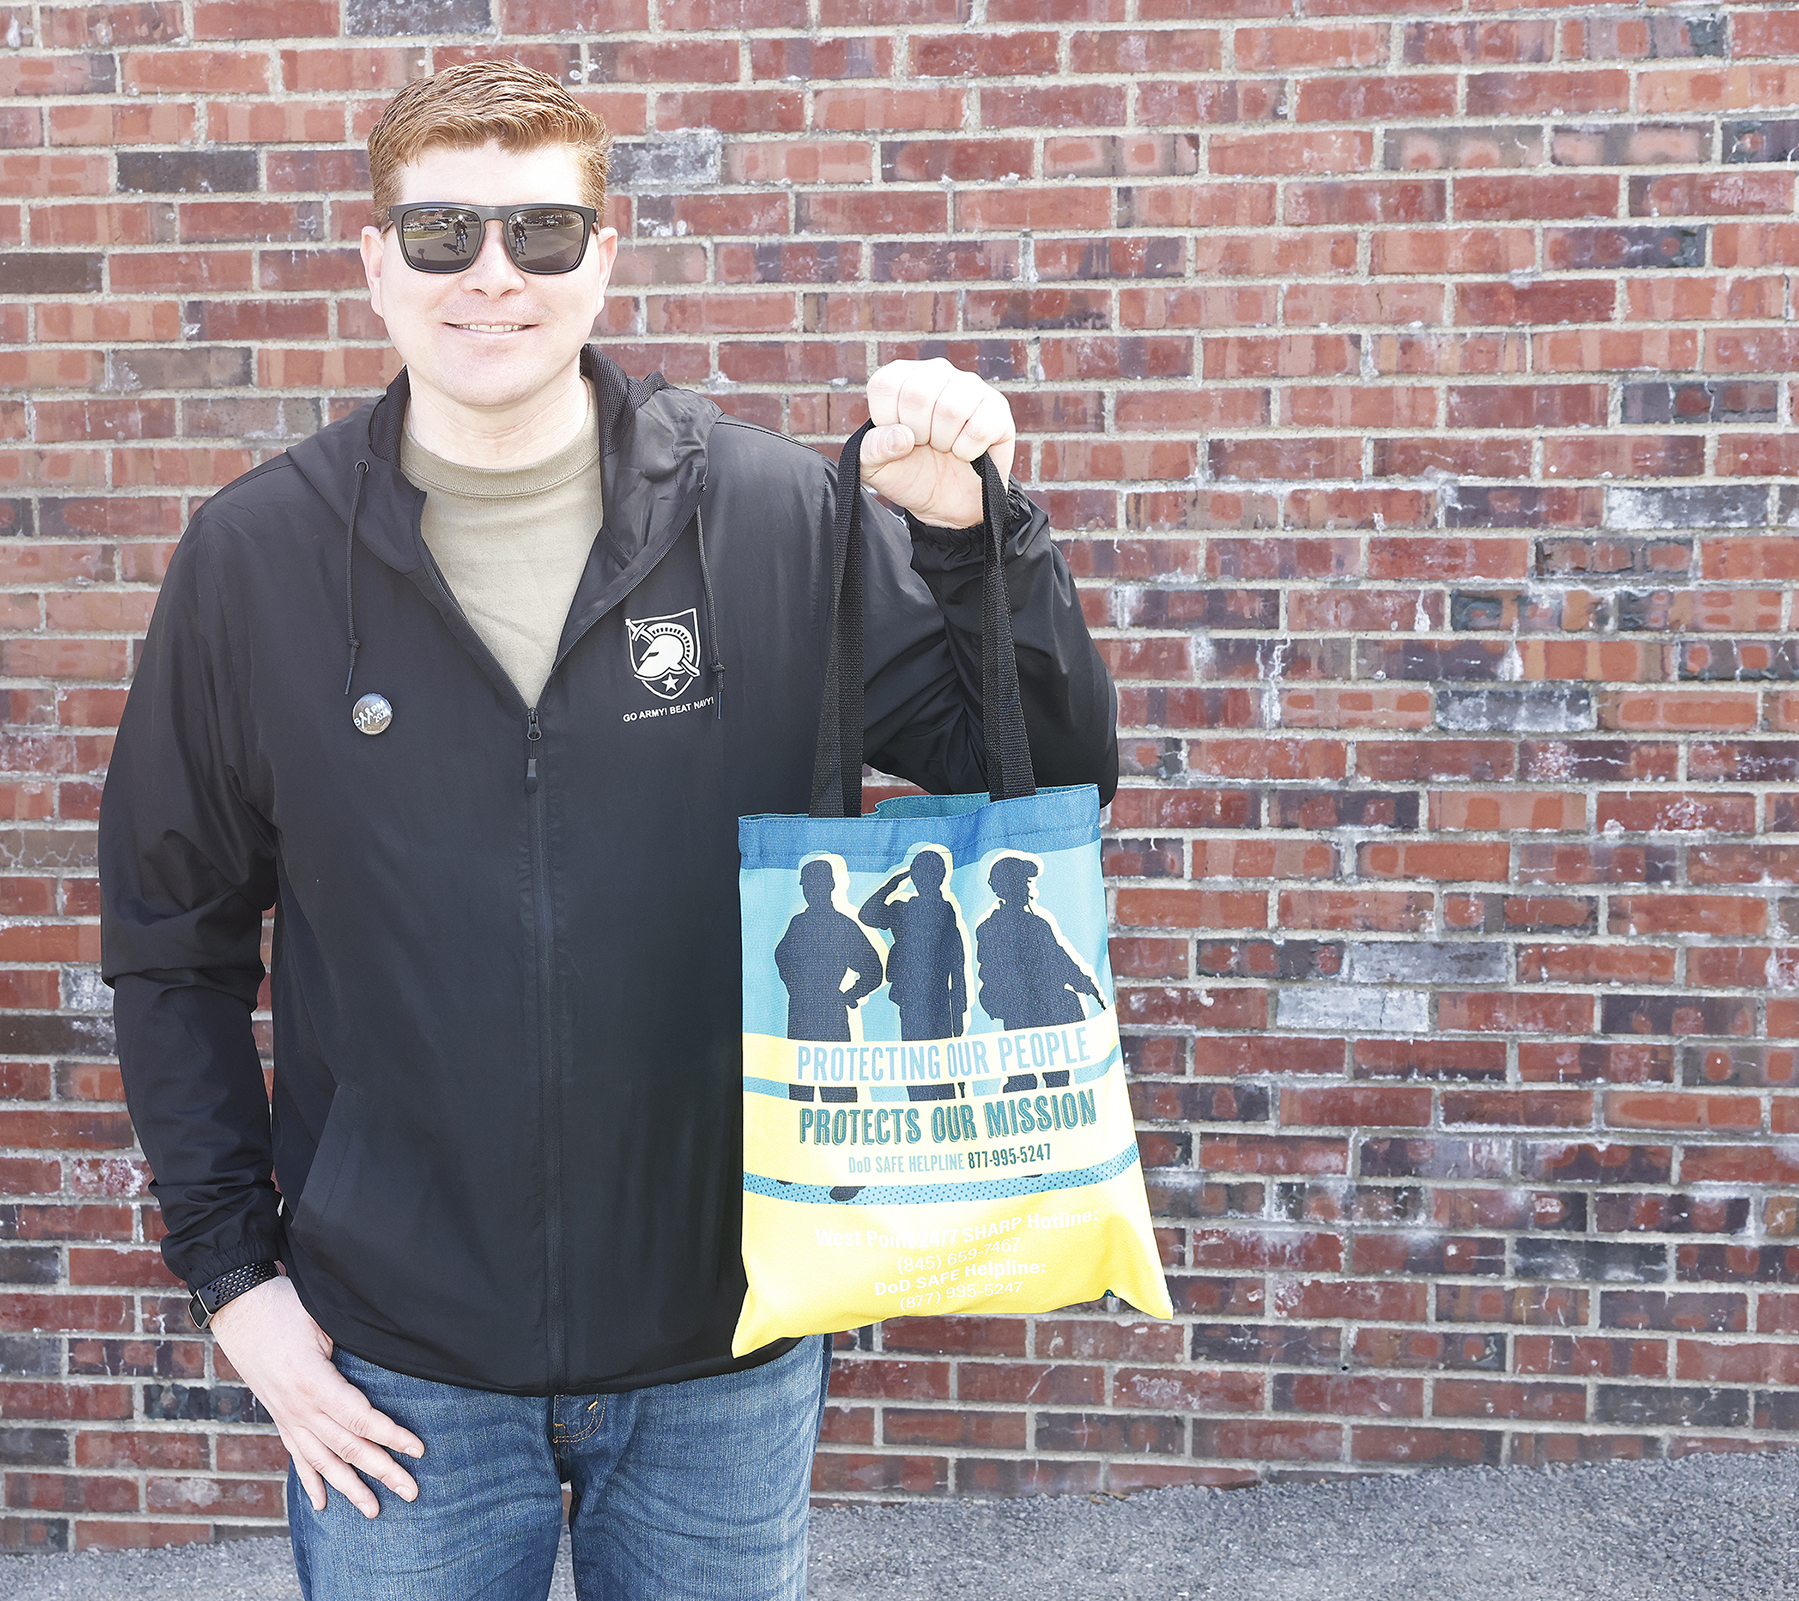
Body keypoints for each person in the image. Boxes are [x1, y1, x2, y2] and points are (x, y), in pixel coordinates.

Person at [97, 59, 1117, 1601]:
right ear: (374, 261)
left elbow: (1046, 779)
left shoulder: (773, 517)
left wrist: (980, 543)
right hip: (399, 1364)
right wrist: (236, 1280)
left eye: (540, 232)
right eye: (442, 233)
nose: (492, 274)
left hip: (724, 1348)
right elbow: (172, 947)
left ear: (605, 254)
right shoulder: (255, 560)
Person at [975, 855, 1106, 1031]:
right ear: (1007, 887)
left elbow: (1060, 959)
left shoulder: (1037, 924)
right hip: (1024, 1014)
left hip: (1049, 1009)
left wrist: (1084, 982)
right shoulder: (991, 929)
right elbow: (991, 975)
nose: (1026, 888)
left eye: (1026, 883)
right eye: (1022, 882)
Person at [857, 849, 969, 1042]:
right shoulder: (903, 910)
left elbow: (957, 966)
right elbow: (867, 915)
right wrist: (892, 884)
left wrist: (958, 1012)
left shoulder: (941, 914)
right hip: (913, 998)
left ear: (940, 876)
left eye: (928, 873)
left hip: (936, 999)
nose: (924, 879)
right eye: (920, 874)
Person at [774, 858, 884, 1042]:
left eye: (816, 885)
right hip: (802, 1012)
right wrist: (795, 988)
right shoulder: (799, 924)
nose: (811, 891)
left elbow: (873, 970)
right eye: (808, 886)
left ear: (830, 885)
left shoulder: (843, 926)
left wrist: (850, 995)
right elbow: (782, 957)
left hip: (830, 1013)